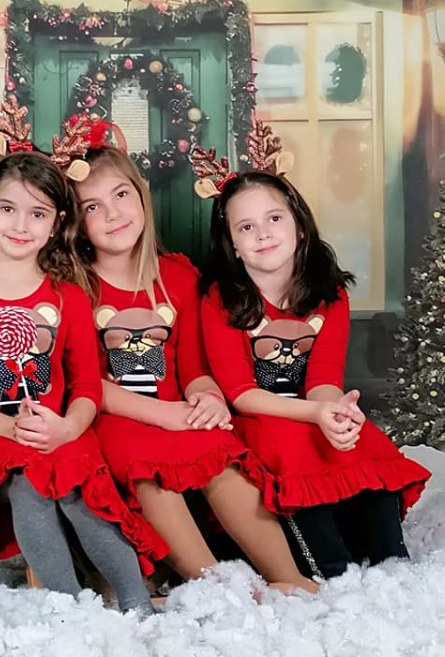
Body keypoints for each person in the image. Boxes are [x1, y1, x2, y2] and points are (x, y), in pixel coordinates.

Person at [0, 151, 167, 614]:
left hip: (60, 431)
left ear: (56, 224)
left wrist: (67, 428)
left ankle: (136, 602)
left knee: (77, 491)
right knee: (29, 486)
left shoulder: (68, 298)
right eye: (8, 208)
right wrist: (9, 428)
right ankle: (68, 608)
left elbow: (87, 386)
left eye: (37, 213)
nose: (20, 224)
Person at [71, 143, 318, 593]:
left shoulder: (178, 277)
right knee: (148, 472)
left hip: (179, 412)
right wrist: (164, 414)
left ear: (141, 196)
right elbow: (85, 383)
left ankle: (290, 578)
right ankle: (219, 586)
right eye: (93, 206)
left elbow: (194, 367)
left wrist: (207, 396)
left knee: (220, 452)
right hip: (113, 419)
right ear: (77, 222)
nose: (113, 213)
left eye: (121, 195)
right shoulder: (75, 289)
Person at [200, 168, 431, 579]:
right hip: (255, 418)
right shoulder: (221, 299)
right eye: (246, 227)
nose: (263, 234)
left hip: (309, 409)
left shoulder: (330, 294)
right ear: (232, 245)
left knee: (362, 439)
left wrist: (336, 412)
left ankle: (391, 560)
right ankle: (328, 566)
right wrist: (314, 414)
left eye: (274, 218)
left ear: (300, 226)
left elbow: (323, 377)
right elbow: (240, 393)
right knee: (288, 446)